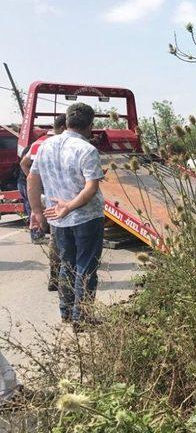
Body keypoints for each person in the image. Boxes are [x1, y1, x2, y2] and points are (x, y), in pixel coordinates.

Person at [27, 103, 105, 330]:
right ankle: (83, 317)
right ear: (90, 126)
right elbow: (91, 188)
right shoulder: (86, 149)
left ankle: (67, 313)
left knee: (66, 264)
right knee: (85, 267)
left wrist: (36, 211)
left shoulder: (45, 145)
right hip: (85, 218)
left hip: (57, 218)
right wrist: (69, 206)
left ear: (67, 121)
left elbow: (32, 179)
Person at [20, 114, 66, 291]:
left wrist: (35, 183)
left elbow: (24, 164)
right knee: (62, 235)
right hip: (58, 196)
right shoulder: (60, 144)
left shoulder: (39, 142)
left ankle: (55, 275)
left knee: (55, 235)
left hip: (43, 194)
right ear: (63, 127)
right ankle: (63, 276)